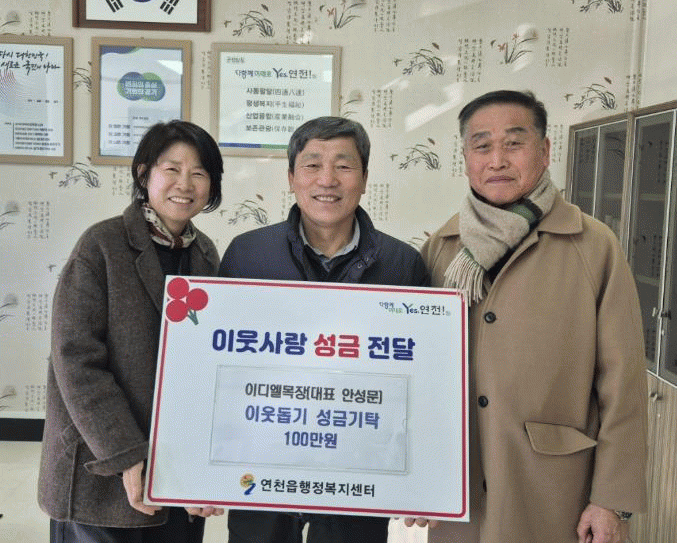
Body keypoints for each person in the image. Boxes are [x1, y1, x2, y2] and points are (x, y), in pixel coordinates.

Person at [410, 90, 648, 543]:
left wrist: (611, 499)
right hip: (460, 483)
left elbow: (623, 383)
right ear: (466, 158)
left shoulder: (592, 245)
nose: (497, 160)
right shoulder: (442, 247)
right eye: (482, 146)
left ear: (544, 151)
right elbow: (416, 372)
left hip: (553, 484)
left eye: (514, 143)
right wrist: (415, 475)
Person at [219, 116, 429, 543]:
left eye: (344, 166)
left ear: (364, 179)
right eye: (312, 165)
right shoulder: (248, 255)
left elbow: (422, 383)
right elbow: (216, 369)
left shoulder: (402, 264)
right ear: (291, 177)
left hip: (358, 472)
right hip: (262, 467)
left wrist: (423, 477)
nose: (327, 179)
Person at [38, 121, 225, 542]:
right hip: (101, 471)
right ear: (144, 174)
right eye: (171, 169)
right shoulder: (101, 245)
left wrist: (207, 466)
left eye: (199, 173)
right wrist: (126, 453)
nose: (185, 184)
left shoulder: (205, 254)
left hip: (175, 471)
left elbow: (208, 363)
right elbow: (75, 359)